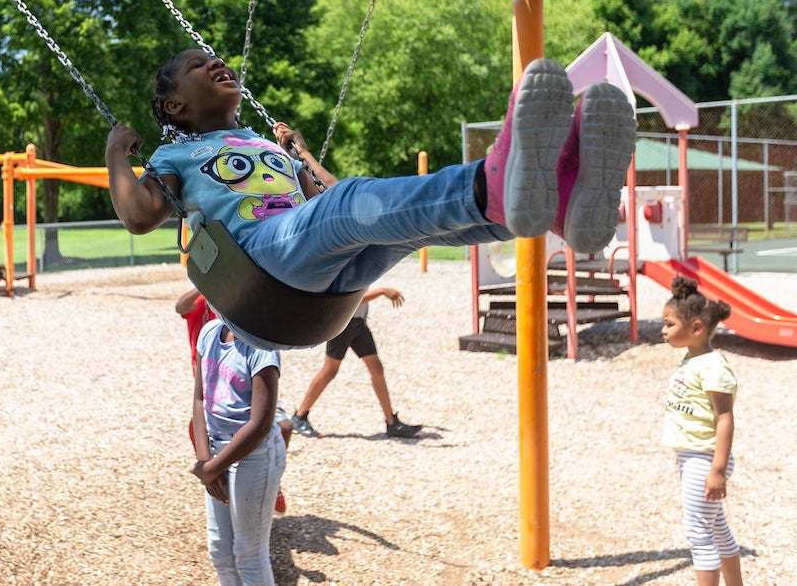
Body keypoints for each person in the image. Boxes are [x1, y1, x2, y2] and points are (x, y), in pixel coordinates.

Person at [106, 50, 636, 351]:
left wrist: (304, 157)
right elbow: (139, 215)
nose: (217, 63)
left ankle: (552, 205)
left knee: (407, 225)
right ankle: (491, 185)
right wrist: (115, 153)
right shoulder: (178, 154)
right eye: (200, 65)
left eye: (219, 59)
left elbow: (331, 198)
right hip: (255, 267)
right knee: (352, 207)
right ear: (174, 103)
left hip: (316, 282)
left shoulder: (267, 145)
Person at [177, 286, 291, 514]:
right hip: (214, 392)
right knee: (199, 426)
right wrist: (205, 464)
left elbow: (260, 422)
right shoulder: (207, 322)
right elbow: (180, 306)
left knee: (285, 425)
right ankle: (216, 469)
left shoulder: (257, 341)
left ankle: (272, 480)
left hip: (241, 392)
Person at [660, 276, 743, 586]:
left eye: (669, 324)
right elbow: (692, 416)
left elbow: (725, 419)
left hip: (706, 461)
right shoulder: (692, 360)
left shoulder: (713, 367)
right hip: (694, 458)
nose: (663, 330)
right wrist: (683, 452)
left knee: (699, 534)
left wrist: (717, 469)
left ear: (696, 328)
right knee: (718, 529)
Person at [192, 314, 285, 586]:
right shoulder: (209, 332)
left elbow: (260, 423)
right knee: (220, 549)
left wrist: (211, 468)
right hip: (215, 452)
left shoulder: (262, 346)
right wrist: (205, 461)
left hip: (254, 456)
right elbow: (199, 399)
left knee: (249, 555)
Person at [288, 285, 424, 439]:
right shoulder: (346, 265)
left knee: (376, 369)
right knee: (330, 371)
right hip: (342, 324)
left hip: (358, 324)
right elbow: (355, 299)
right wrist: (382, 291)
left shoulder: (355, 262)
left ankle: (392, 423)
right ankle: (299, 416)